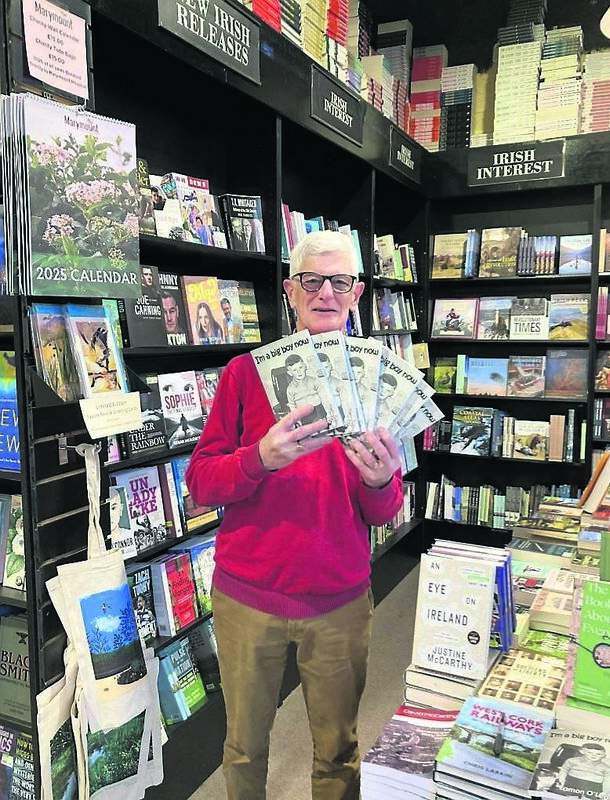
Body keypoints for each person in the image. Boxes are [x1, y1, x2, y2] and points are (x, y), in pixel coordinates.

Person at [185, 229, 402, 800]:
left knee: (337, 751)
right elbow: (201, 483)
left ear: (357, 292)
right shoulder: (244, 373)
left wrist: (381, 481)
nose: (325, 293)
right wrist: (258, 458)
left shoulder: (379, 377)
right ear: (290, 290)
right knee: (244, 748)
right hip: (247, 598)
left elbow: (385, 507)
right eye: (312, 280)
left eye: (339, 282)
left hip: (340, 601)